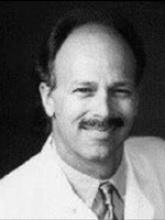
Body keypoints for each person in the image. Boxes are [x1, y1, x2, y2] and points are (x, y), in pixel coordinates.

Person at [0, 8, 165, 220]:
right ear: (48, 98)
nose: (104, 111)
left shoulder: (160, 161)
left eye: (120, 91)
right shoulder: (7, 205)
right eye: (84, 90)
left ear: (136, 100)